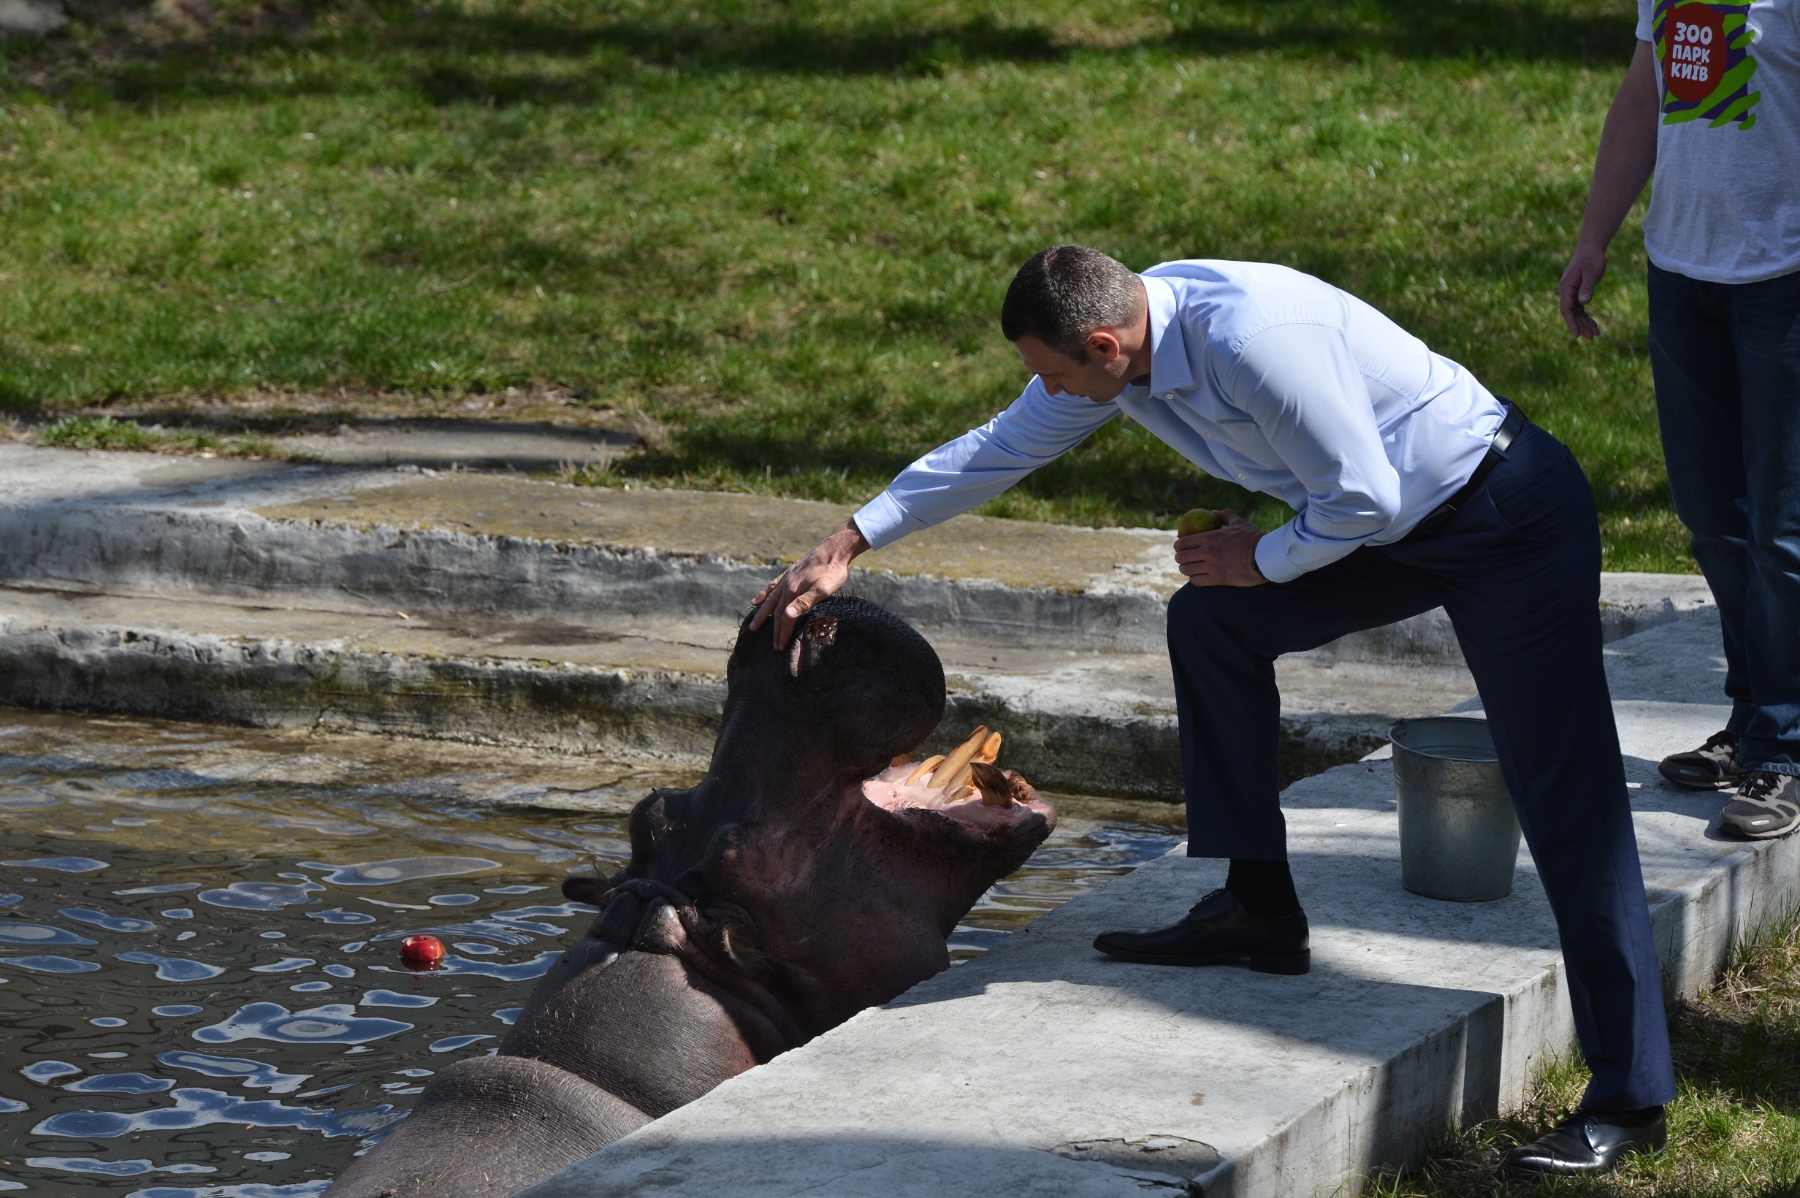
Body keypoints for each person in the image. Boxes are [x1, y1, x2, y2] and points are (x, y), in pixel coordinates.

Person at [750, 245, 1676, 1176]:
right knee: (1213, 624)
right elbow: (1000, 446)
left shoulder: (1252, 339)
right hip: (1384, 521)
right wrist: (850, 538)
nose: (1046, 390)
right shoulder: (1123, 350)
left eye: (1052, 373)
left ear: (1106, 345)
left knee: (1566, 790)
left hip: (1503, 517)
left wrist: (1264, 558)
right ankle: (1258, 908)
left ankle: (1629, 1097)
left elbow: (1362, 492)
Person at [1560, 1, 1800, 838]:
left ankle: (1787, 750)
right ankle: (1751, 722)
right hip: (1683, 270)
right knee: (1713, 518)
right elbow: (1643, 95)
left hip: (1786, 274)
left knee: (1784, 532)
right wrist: (1597, 234)